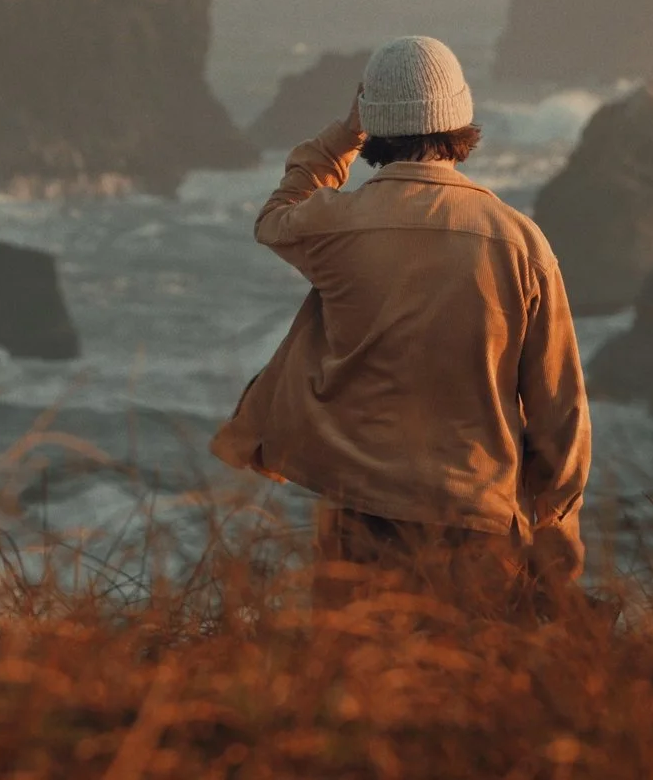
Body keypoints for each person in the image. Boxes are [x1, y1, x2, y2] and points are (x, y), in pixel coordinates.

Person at [211, 36, 590, 613]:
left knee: (356, 693)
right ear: (460, 119)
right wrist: (557, 538)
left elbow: (275, 216)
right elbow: (559, 408)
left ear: (376, 124)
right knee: (465, 693)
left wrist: (344, 133)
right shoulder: (519, 242)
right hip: (478, 528)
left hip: (359, 520)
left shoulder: (336, 225)